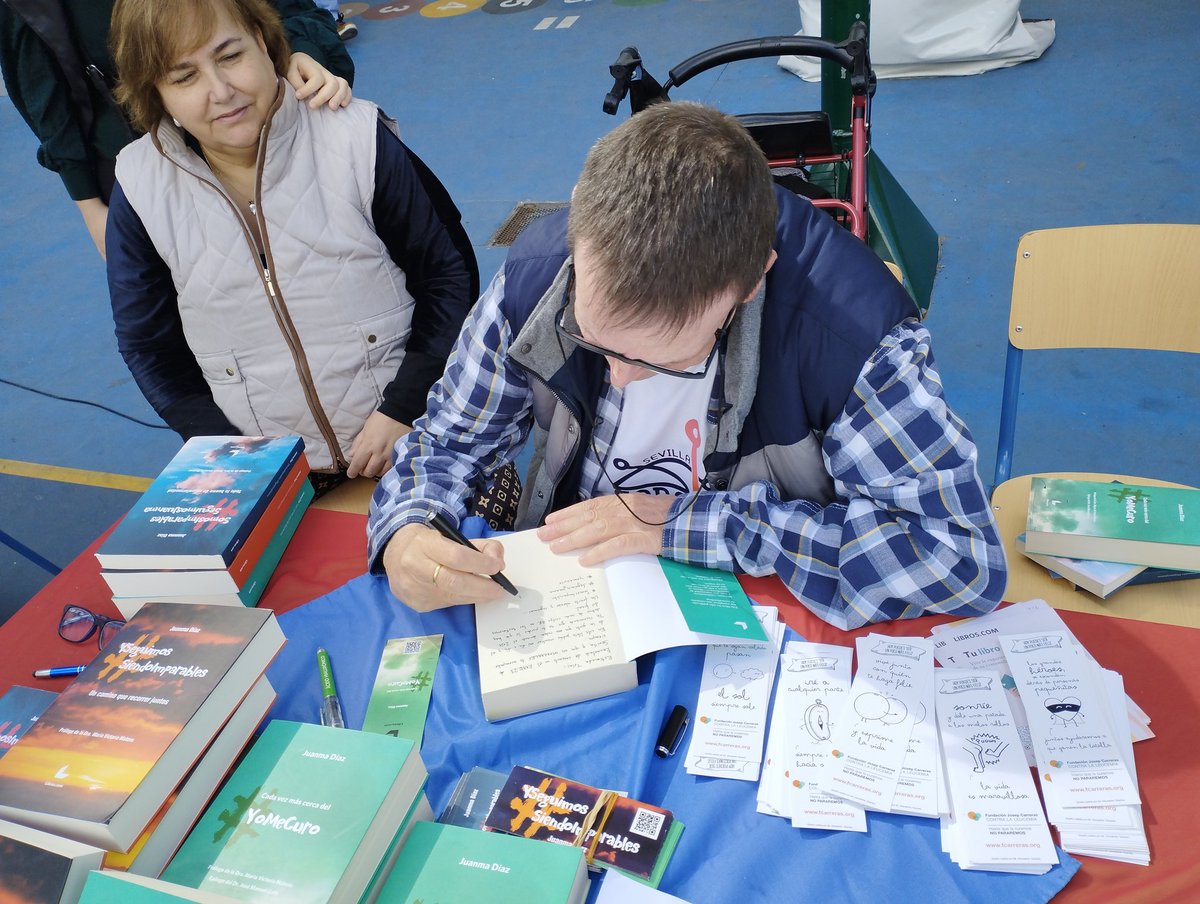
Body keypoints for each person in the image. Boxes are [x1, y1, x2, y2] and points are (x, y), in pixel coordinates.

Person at [367, 101, 1006, 631]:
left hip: (755, 618)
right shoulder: (537, 278)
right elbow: (449, 443)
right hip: (579, 603)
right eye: (590, 338)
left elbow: (958, 559)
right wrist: (406, 527)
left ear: (750, 284)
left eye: (659, 359)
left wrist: (688, 524)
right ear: (578, 225)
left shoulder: (851, 337)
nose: (618, 378)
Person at [105, 0, 477, 485]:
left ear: (262, 41)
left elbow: (449, 275)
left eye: (230, 55)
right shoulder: (140, 186)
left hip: (418, 439)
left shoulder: (355, 137)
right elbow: (149, 345)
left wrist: (405, 407)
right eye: (184, 77)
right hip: (274, 475)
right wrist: (233, 455)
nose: (221, 91)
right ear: (155, 92)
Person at [0, 0, 353, 260]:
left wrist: (301, 51)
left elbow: (291, 10)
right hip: (138, 168)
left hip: (269, 138)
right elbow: (41, 83)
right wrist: (90, 207)